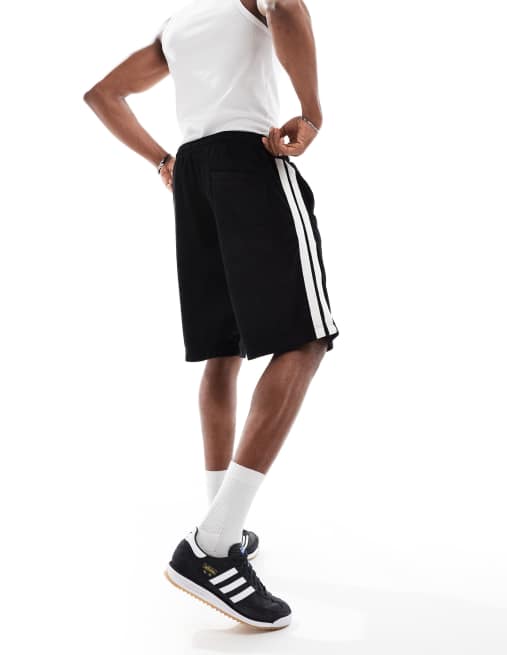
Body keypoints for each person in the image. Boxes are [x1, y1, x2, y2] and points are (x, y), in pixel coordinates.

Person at [84, 0, 339, 630]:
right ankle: (214, 544)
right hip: (248, 161)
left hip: (193, 171)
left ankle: (219, 518)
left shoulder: (179, 23)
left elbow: (103, 95)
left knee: (222, 351)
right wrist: (311, 114)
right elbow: (288, 8)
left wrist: (162, 160)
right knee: (306, 340)